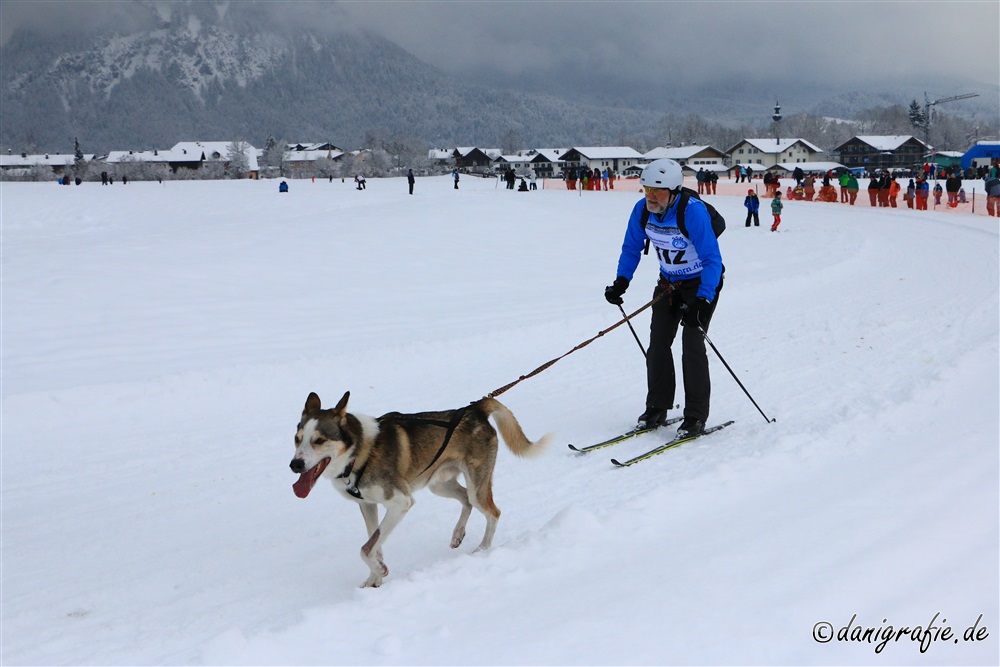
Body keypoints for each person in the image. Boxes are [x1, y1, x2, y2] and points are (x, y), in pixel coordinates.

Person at [603, 159, 723, 437]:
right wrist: (622, 281)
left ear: (674, 191)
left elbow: (712, 259)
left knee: (692, 343)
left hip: (701, 283)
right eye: (646, 189)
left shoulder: (692, 212)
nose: (650, 196)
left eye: (657, 191)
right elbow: (631, 247)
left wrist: (703, 299)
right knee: (658, 343)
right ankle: (657, 407)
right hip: (669, 284)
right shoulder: (641, 211)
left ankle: (695, 416)